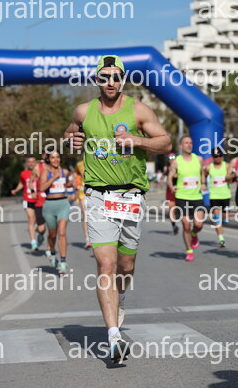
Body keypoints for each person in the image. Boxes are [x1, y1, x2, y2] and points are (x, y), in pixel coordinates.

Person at [64, 55, 171, 363]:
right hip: (97, 196)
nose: (110, 82)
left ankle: (120, 296)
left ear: (122, 79)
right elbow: (69, 135)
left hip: (130, 197)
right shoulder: (83, 111)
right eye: (104, 77)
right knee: (106, 265)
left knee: (126, 266)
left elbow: (165, 143)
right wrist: (70, 142)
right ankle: (114, 337)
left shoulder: (139, 110)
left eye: (115, 77)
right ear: (96, 80)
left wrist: (137, 140)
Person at [168, 136, 207, 261]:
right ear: (181, 146)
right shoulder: (176, 162)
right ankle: (189, 251)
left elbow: (202, 173)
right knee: (186, 224)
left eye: (190, 143)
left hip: (197, 196)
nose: (189, 145)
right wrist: (172, 186)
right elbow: (170, 177)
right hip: (182, 196)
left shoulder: (199, 159)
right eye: (186, 143)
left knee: (198, 224)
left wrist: (203, 183)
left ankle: (194, 234)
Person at [40, 151, 73, 275]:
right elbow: (42, 188)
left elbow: (67, 184)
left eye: (57, 157)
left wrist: (71, 184)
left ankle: (63, 262)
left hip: (63, 204)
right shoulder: (45, 172)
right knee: (52, 234)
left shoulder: (65, 172)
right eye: (52, 157)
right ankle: (52, 252)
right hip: (49, 206)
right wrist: (54, 178)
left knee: (62, 233)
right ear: (48, 159)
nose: (55, 160)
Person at [11, 156, 45, 251]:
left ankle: (41, 234)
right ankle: (33, 242)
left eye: (32, 162)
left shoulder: (41, 172)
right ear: (26, 163)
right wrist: (16, 190)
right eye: (29, 162)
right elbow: (21, 183)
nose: (31, 163)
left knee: (41, 226)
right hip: (28, 199)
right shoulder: (23, 173)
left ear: (36, 162)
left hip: (40, 200)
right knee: (31, 220)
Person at [205, 147, 232, 248]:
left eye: (220, 156)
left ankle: (223, 222)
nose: (218, 158)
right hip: (214, 195)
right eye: (216, 156)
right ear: (213, 157)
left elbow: (231, 176)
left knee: (224, 219)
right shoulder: (209, 167)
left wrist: (232, 177)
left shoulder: (227, 166)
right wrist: (203, 183)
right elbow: (203, 174)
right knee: (217, 217)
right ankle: (221, 239)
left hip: (225, 195)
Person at [74, 161, 91, 249]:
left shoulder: (97, 160)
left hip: (95, 191)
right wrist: (77, 183)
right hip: (82, 192)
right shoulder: (79, 164)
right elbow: (75, 174)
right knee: (85, 215)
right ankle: (87, 240)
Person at [165, 153, 179, 235]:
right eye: (170, 158)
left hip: (179, 189)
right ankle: (174, 225)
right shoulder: (166, 168)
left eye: (173, 157)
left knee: (177, 208)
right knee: (171, 207)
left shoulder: (179, 167)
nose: (172, 159)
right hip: (170, 190)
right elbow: (165, 178)